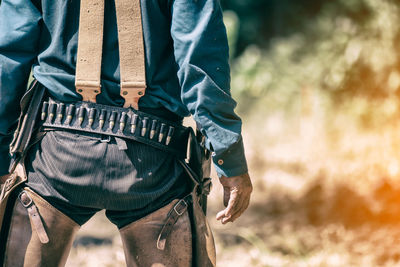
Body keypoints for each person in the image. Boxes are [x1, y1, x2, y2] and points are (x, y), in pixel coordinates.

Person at [0, 0, 253, 266]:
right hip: (153, 161)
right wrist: (229, 157)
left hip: (53, 155)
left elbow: (8, 55)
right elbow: (200, 58)